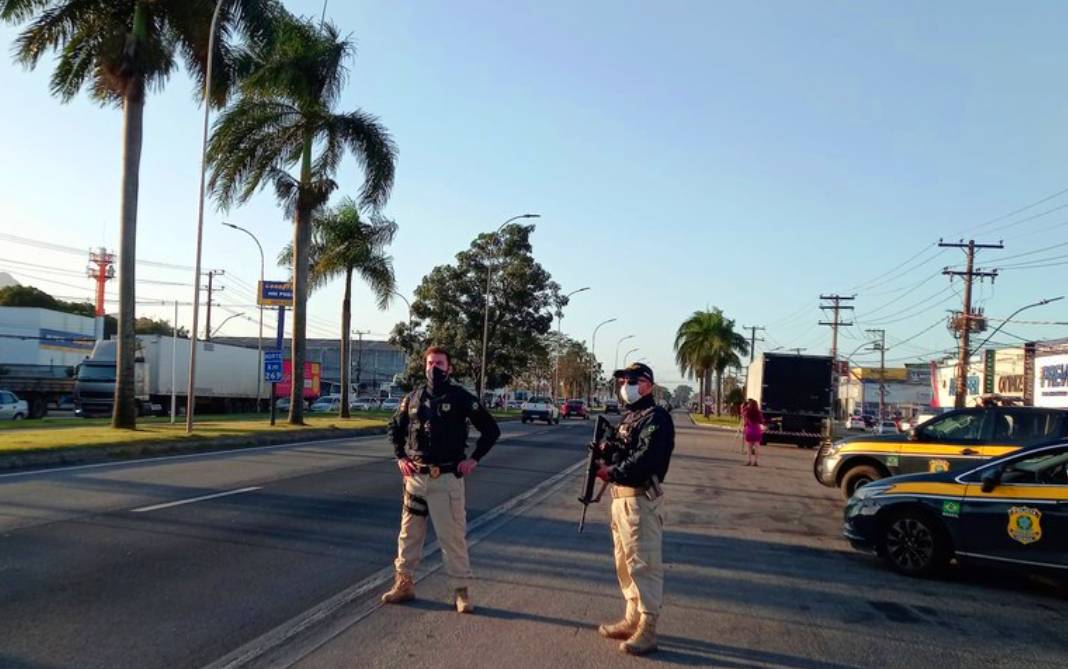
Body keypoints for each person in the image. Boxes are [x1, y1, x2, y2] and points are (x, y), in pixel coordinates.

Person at [380, 345, 501, 613]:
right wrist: (401, 456)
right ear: (424, 366)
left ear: (449, 368)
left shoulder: (460, 398)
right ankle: (404, 584)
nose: (434, 368)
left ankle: (461, 592)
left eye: (440, 363)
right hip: (415, 480)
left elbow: (491, 430)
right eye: (430, 363)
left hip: (446, 479)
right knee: (408, 536)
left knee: (452, 538)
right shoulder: (412, 398)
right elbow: (394, 428)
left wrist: (473, 459)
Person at [595, 362, 675, 655]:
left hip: (641, 499)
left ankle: (648, 627)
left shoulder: (657, 418)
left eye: (632, 380)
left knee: (644, 563)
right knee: (624, 562)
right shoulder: (631, 417)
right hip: (621, 500)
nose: (625, 385)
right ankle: (631, 618)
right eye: (623, 380)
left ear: (648, 385)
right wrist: (606, 451)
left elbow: (647, 457)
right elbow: (624, 450)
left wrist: (613, 472)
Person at [741, 398, 764, 466]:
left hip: (749, 429)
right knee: (757, 447)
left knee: (749, 447)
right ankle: (756, 461)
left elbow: (744, 419)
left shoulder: (747, 411)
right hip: (757, 429)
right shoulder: (758, 412)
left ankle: (749, 460)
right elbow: (761, 421)